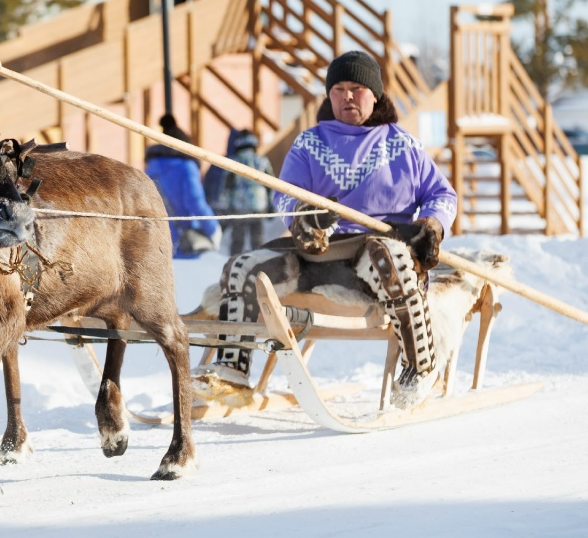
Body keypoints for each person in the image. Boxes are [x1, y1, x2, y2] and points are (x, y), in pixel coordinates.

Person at [194, 50, 458, 409]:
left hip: (378, 251)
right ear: (329, 95)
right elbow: (286, 197)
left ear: (375, 94)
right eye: (338, 89)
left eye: (357, 88)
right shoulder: (309, 143)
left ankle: (419, 366)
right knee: (243, 267)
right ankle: (231, 371)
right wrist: (305, 219)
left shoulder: (403, 144)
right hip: (318, 251)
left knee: (388, 256)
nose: (347, 96)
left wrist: (432, 224)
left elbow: (442, 194)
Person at [145, 114, 222, 258]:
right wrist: (213, 229)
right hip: (187, 244)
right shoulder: (187, 167)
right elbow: (195, 202)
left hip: (159, 245)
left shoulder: (150, 168)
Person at [208, 129, 275, 254]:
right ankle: (258, 264)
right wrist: (271, 205)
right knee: (257, 238)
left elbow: (226, 187)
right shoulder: (262, 161)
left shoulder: (233, 161)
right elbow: (270, 185)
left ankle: (235, 264)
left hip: (238, 208)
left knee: (238, 240)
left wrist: (224, 209)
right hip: (258, 206)